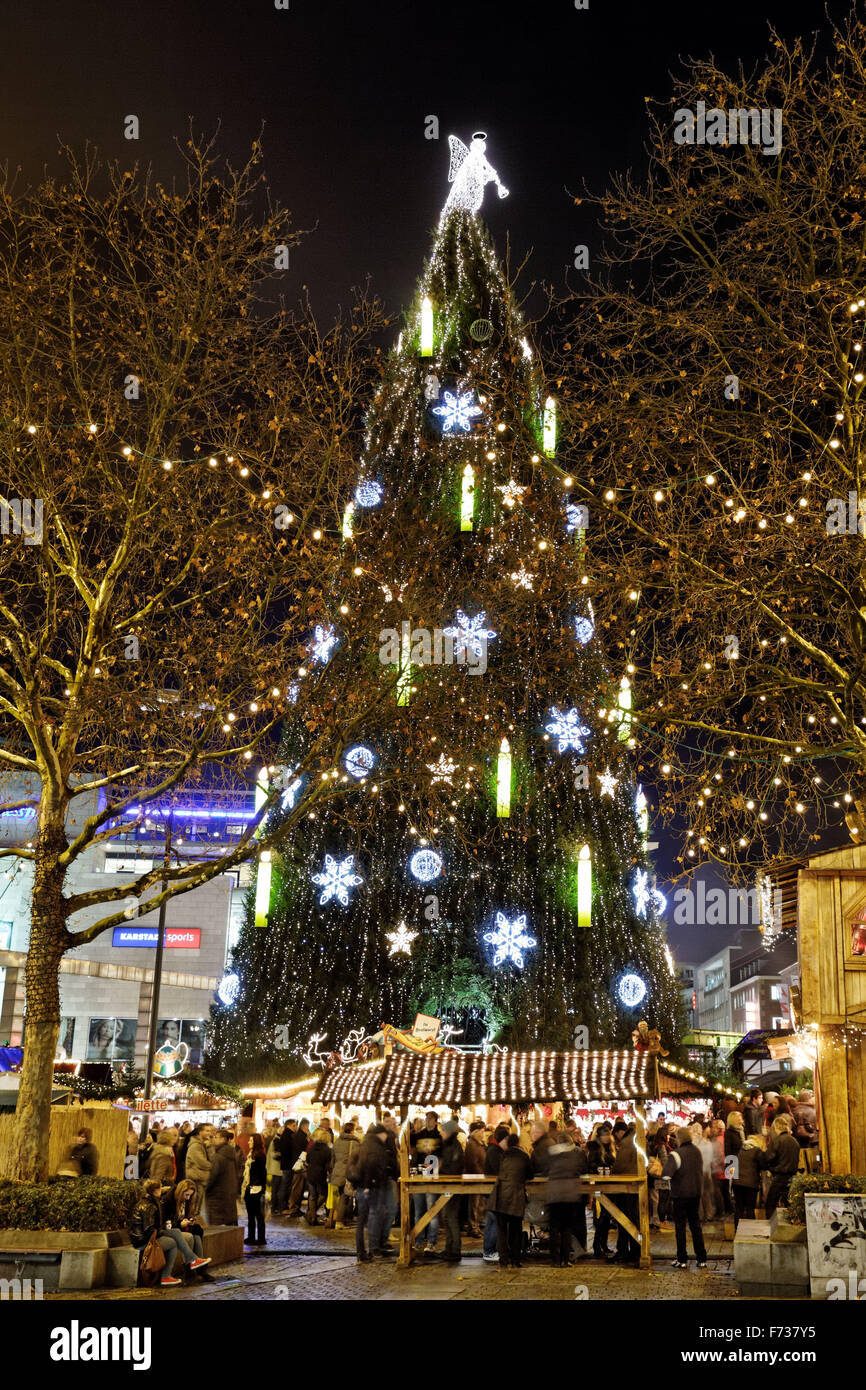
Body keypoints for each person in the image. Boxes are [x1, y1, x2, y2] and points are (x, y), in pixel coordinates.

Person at [129, 1178, 211, 1286]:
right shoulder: (150, 1205)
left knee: (186, 1235)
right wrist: (170, 1228)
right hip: (144, 1240)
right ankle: (191, 1262)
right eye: (160, 1188)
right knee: (177, 1235)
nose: (162, 1190)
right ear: (155, 1191)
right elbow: (150, 1229)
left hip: (149, 1235)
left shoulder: (152, 1202)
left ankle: (169, 1276)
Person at [662, 1126, 707, 1269]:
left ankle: (682, 1259)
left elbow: (666, 1174)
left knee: (680, 1227)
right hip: (695, 1193)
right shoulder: (697, 1152)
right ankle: (702, 1258)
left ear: (679, 1138)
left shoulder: (676, 1154)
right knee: (696, 1226)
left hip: (680, 1194)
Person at [545, 1129, 588, 1266]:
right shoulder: (576, 1155)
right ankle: (565, 1259)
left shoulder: (551, 1154)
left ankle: (555, 1259)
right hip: (570, 1194)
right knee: (567, 1228)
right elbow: (582, 1170)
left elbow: (545, 1171)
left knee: (554, 1228)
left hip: (554, 1193)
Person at [491, 1133, 532, 1269]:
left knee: (502, 1229)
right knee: (515, 1229)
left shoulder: (503, 1155)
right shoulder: (524, 1156)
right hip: (516, 1196)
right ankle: (515, 1260)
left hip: (501, 1195)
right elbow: (530, 1175)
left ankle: (503, 1260)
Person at [355, 1123, 390, 1263]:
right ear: (380, 1134)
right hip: (371, 1186)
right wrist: (369, 1185)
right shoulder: (376, 1147)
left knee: (361, 1220)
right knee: (374, 1217)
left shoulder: (364, 1144)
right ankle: (372, 1248)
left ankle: (360, 1252)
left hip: (361, 1186)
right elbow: (370, 1165)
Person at [409, 1110, 443, 1251]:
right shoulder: (419, 1135)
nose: (428, 1121)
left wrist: (436, 1166)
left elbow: (442, 1156)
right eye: (426, 1118)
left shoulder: (439, 1137)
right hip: (419, 1176)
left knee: (431, 1211)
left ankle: (431, 1242)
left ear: (435, 1121)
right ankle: (418, 1240)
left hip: (432, 1177)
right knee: (419, 1212)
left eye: (430, 1118)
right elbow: (409, 1146)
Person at [610, 1121, 640, 1265]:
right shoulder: (637, 1139)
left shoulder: (627, 1142)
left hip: (626, 1186)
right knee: (634, 1219)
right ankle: (635, 1250)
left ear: (620, 1132)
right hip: (635, 1185)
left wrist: (612, 1173)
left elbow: (619, 1165)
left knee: (624, 1219)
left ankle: (623, 1251)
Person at [586, 1123, 616, 1257]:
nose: (607, 1138)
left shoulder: (610, 1148)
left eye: (608, 1135)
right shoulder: (595, 1149)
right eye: (604, 1135)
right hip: (599, 1185)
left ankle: (602, 1244)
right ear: (599, 1137)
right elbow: (590, 1165)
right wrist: (598, 1169)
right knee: (601, 1217)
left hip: (609, 1185)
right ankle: (597, 1245)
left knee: (606, 1216)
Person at [171, 1179, 211, 1277]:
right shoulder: (170, 1200)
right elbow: (166, 1222)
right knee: (190, 1237)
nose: (188, 1198)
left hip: (181, 1226)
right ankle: (189, 1269)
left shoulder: (187, 1201)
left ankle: (201, 1269)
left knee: (197, 1232)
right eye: (187, 1195)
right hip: (171, 1229)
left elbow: (185, 1216)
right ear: (181, 1192)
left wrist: (189, 1220)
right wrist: (180, 1224)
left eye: (190, 1195)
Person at [482, 1123, 510, 1262]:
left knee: (494, 1220)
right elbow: (499, 1170)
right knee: (493, 1220)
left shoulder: (495, 1150)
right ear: (502, 1140)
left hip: (495, 1190)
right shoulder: (494, 1151)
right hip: (493, 1190)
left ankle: (491, 1249)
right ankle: (488, 1250)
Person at [762, 1114, 801, 1216]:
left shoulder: (777, 1141)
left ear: (776, 1128)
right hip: (792, 1176)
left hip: (779, 1176)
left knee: (770, 1203)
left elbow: (768, 1157)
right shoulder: (794, 1141)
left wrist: (768, 1166)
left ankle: (771, 1227)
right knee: (789, 1203)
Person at [438, 1119, 465, 1263]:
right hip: (447, 1186)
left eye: (442, 1130)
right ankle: (450, 1247)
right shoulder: (449, 1145)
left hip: (452, 1186)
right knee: (447, 1216)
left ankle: (455, 1249)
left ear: (448, 1132)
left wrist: (440, 1168)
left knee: (451, 1216)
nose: (441, 1133)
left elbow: (454, 1168)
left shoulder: (454, 1147)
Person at [329, 1121, 361, 1229]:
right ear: (352, 1131)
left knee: (343, 1195)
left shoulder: (337, 1142)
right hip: (348, 1172)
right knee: (345, 1197)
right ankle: (339, 1221)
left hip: (337, 1172)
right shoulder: (355, 1143)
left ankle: (344, 1219)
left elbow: (333, 1159)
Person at [206, 1128, 240, 1227]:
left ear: (222, 1139)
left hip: (218, 1195)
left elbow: (213, 1176)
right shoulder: (232, 1153)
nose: (214, 1140)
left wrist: (207, 1188)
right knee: (230, 1223)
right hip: (229, 1192)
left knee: (215, 1226)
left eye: (216, 1137)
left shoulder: (219, 1156)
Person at [242, 1132, 268, 1246]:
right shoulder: (251, 1155)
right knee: (250, 1214)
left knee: (258, 1214)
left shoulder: (260, 1156)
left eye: (251, 1141)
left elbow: (263, 1173)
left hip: (256, 1188)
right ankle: (251, 1237)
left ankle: (261, 1238)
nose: (249, 1142)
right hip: (249, 1186)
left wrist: (262, 1188)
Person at [732, 1132, 764, 1226]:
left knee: (739, 1208)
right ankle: (750, 1231)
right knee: (750, 1208)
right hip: (751, 1184)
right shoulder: (757, 1151)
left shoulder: (740, 1149)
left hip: (737, 1183)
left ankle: (737, 1231)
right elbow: (763, 1165)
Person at [304, 1128, 333, 1226]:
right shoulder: (327, 1150)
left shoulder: (312, 1148)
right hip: (320, 1174)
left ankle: (312, 1216)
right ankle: (311, 1214)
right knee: (323, 1194)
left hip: (310, 1173)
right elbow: (328, 1164)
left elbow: (307, 1160)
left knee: (312, 1196)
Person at [463, 1120, 487, 1237]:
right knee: (474, 1204)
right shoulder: (472, 1144)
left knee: (477, 1204)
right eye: (482, 1131)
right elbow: (472, 1163)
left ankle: (474, 1226)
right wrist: (481, 1174)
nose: (483, 1133)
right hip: (475, 1178)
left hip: (479, 1177)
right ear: (476, 1132)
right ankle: (473, 1227)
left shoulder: (478, 1143)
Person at [380, 1115, 400, 1249]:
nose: (394, 1125)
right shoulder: (390, 1137)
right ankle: (383, 1237)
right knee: (390, 1206)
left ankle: (382, 1238)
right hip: (387, 1176)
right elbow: (392, 1157)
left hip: (386, 1175)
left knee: (387, 1208)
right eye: (392, 1123)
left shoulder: (383, 1136)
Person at [184, 1124, 213, 1217]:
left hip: (200, 1178)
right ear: (200, 1132)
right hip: (196, 1178)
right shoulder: (195, 1146)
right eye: (207, 1131)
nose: (209, 1133)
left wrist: (209, 1147)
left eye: (210, 1130)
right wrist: (214, 1166)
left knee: (197, 1206)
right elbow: (202, 1163)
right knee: (194, 1206)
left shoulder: (202, 1144)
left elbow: (211, 1158)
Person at [285, 1118, 312, 1217]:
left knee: (298, 1187)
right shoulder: (301, 1137)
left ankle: (295, 1207)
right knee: (297, 1187)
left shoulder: (298, 1135)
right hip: (299, 1165)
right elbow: (304, 1151)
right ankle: (294, 1208)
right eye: (307, 1127)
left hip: (297, 1164)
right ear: (304, 1126)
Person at [793, 1090, 819, 1171]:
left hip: (801, 1144)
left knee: (804, 1166)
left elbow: (799, 1131)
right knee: (817, 1161)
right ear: (808, 1099)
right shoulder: (814, 1110)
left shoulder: (795, 1111)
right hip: (815, 1141)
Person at [266, 1122, 283, 1212]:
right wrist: (283, 1155)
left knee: (275, 1188)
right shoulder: (276, 1140)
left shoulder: (276, 1139)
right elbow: (274, 1154)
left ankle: (274, 1206)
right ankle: (274, 1206)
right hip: (276, 1169)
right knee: (276, 1188)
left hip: (275, 1169)